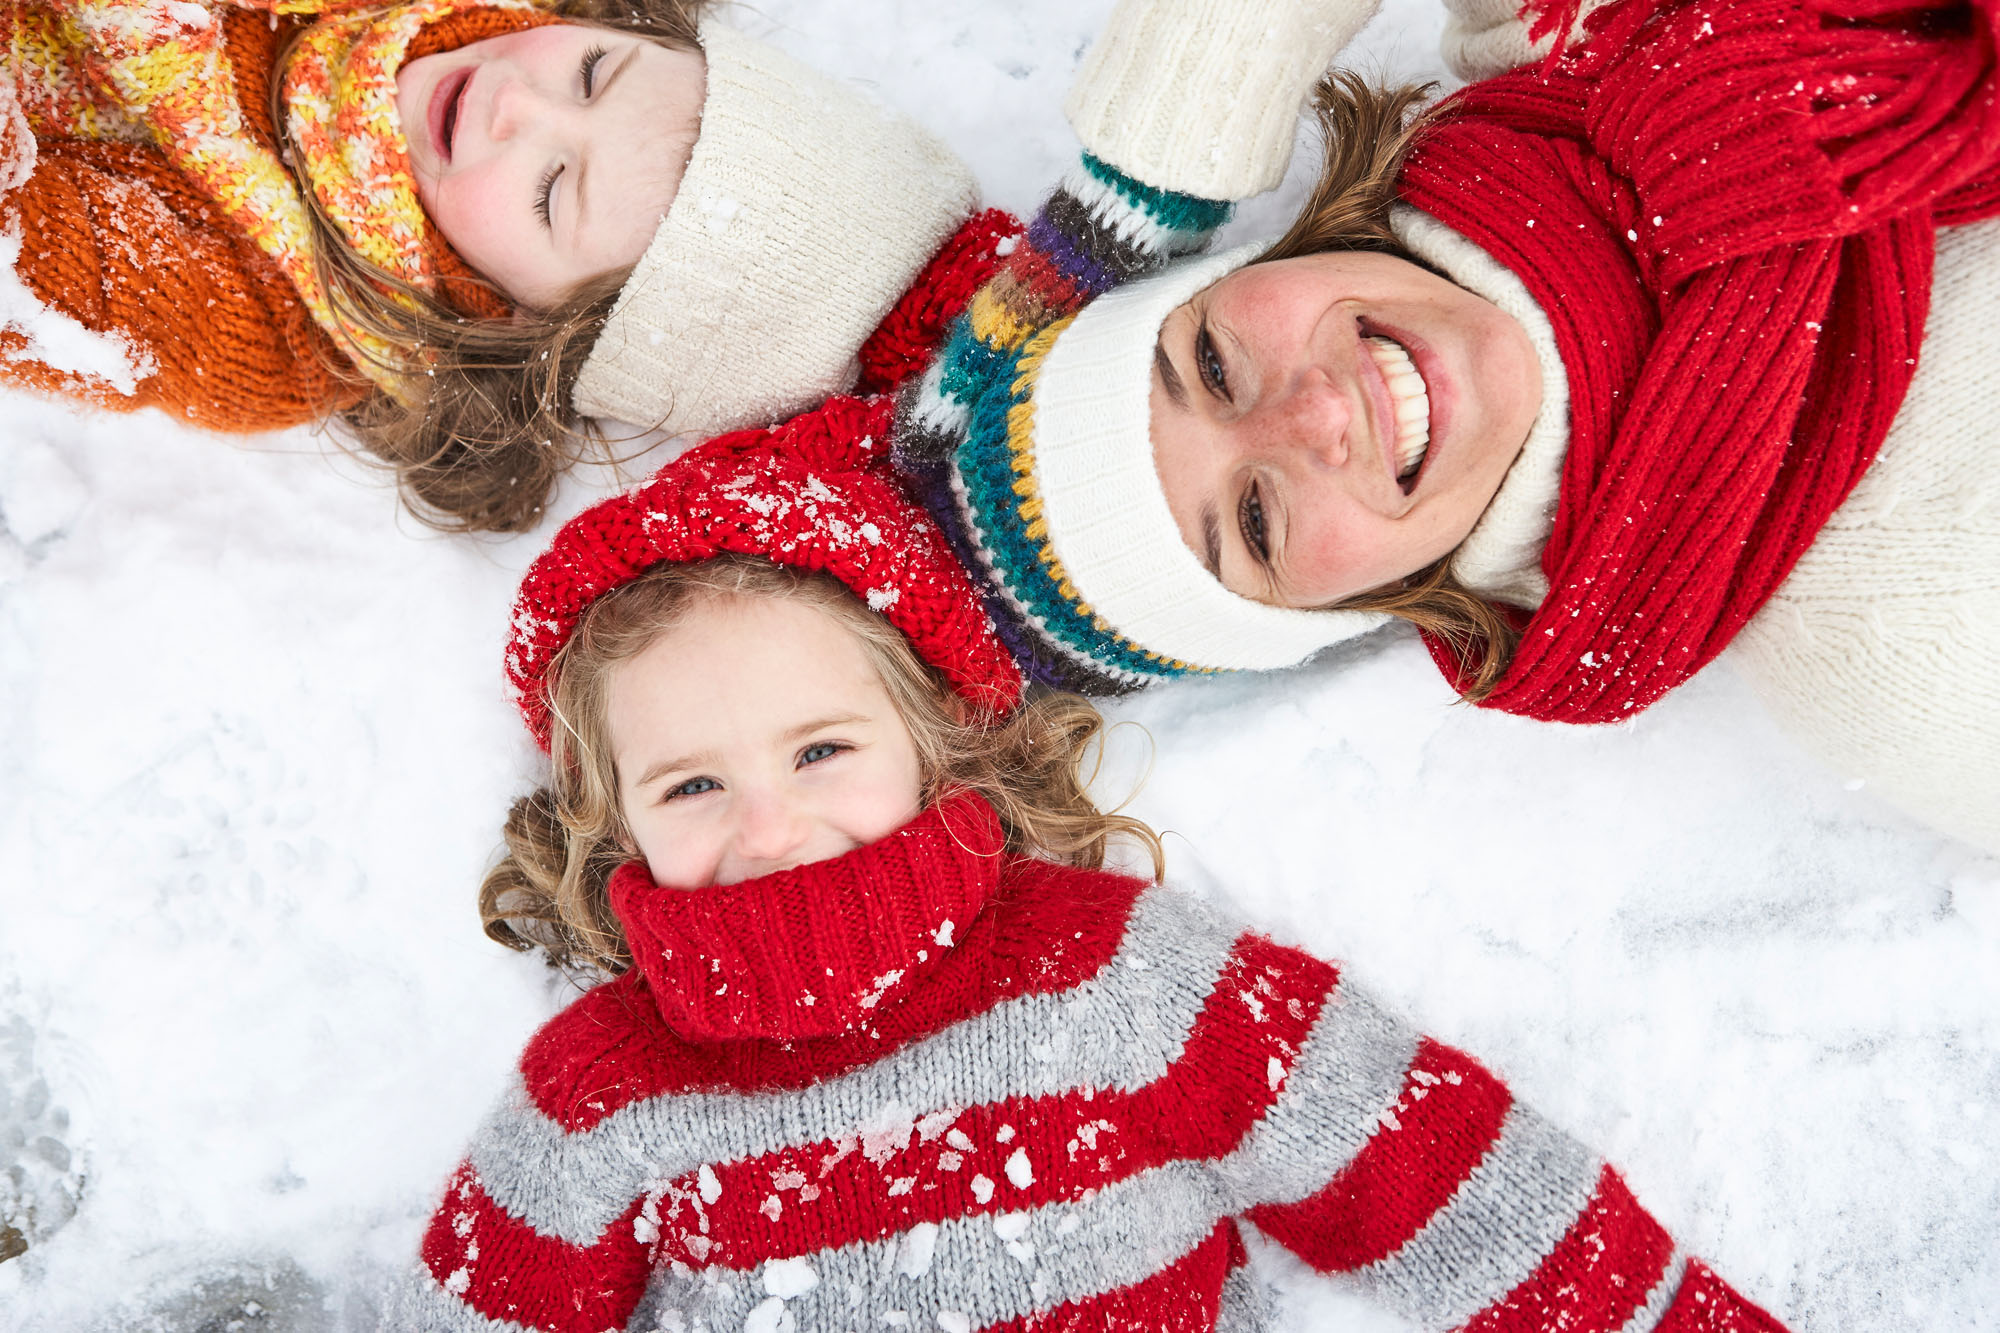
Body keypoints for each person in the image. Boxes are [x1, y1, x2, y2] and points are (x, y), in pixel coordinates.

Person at [385, 421, 1792, 1331]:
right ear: (614, 820)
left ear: (933, 738)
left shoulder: (1113, 976)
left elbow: (1420, 1166)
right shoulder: (604, 1090)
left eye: (821, 748)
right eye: (693, 784)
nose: (771, 825)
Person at [878, 0, 2000, 853]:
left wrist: (1159, 151)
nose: (1313, 411)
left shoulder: (1543, 36)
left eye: (1211, 361)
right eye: (1257, 522)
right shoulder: (1893, 646)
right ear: (1359, 609)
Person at [0, 0, 1008, 529]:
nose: (516, 107)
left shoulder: (266, 322)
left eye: (549, 190)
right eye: (591, 72)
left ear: (523, 328)